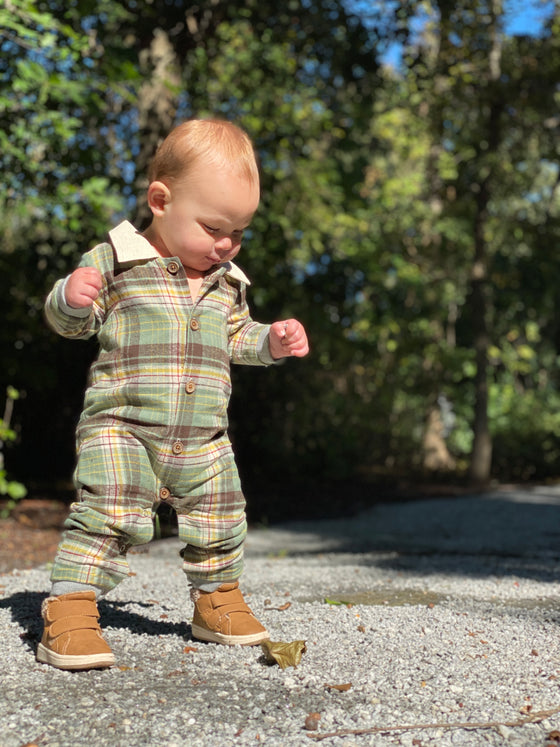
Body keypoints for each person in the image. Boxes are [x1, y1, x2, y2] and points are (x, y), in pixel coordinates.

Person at [38, 118, 309, 671]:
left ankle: (216, 601)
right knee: (106, 512)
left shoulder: (226, 281)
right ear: (160, 201)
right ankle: (69, 607)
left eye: (239, 231)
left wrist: (272, 343)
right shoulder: (115, 259)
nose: (227, 243)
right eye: (213, 228)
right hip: (123, 428)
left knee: (221, 515)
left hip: (205, 437)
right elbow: (73, 324)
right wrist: (68, 297)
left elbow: (238, 337)